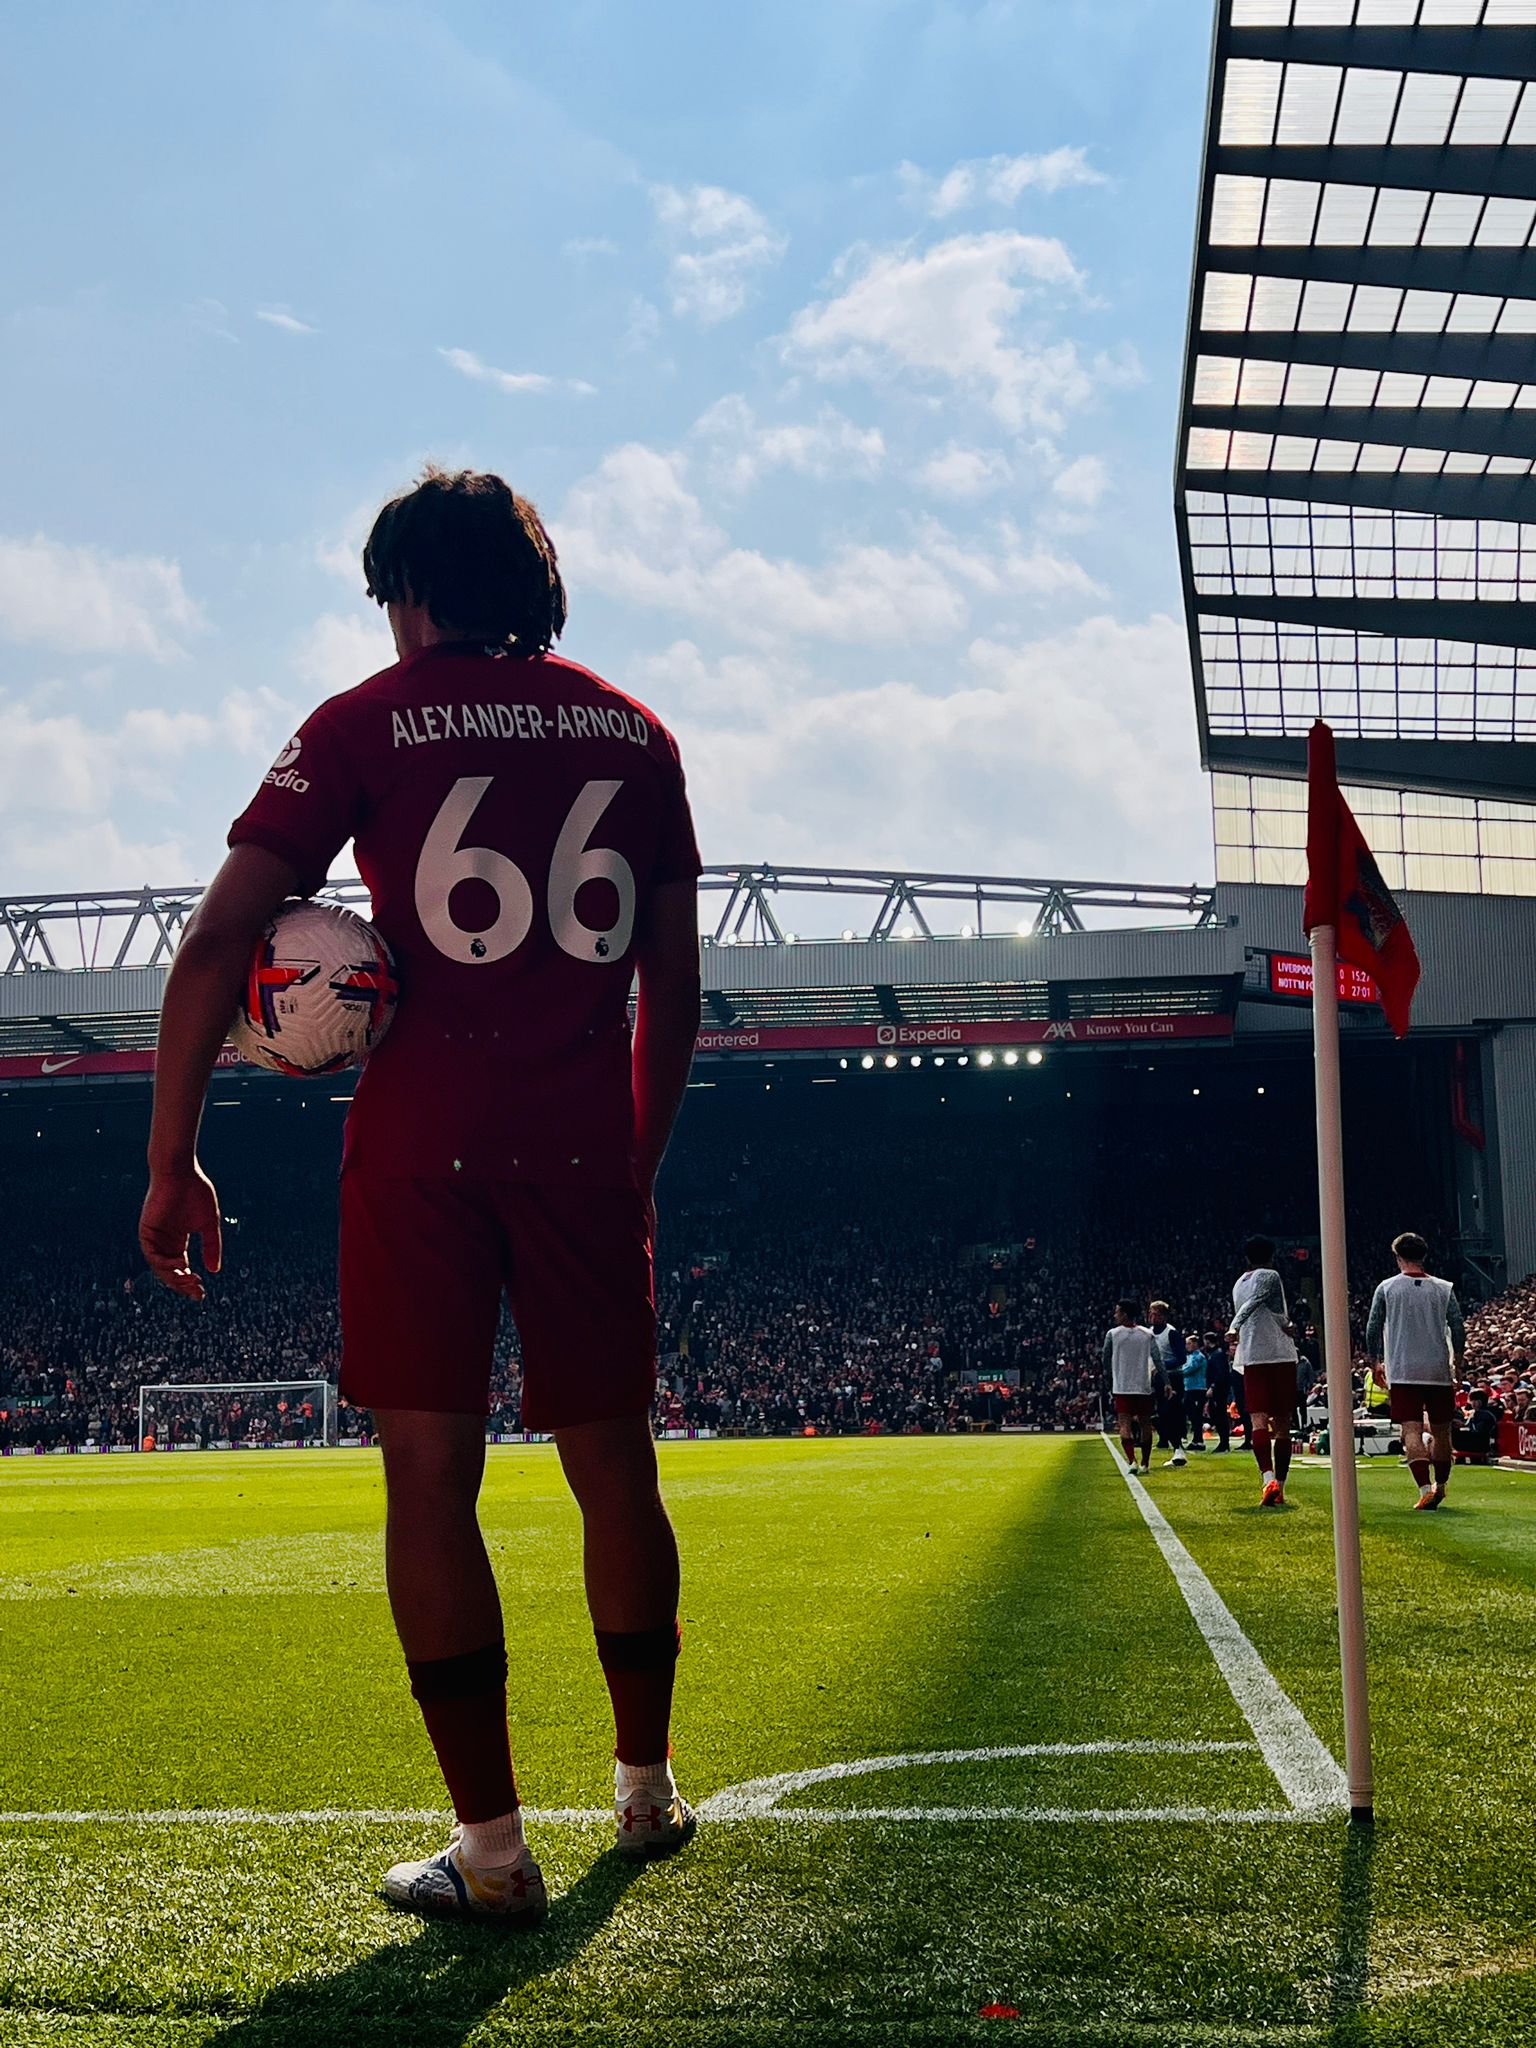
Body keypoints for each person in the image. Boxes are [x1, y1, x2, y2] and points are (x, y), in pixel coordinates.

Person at [138, 467, 704, 1924]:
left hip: (423, 1148)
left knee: (429, 1484)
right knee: (615, 1467)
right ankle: (644, 1796)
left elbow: (216, 946)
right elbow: (676, 988)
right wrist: (630, 1163)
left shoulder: (360, 723)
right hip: (584, 1143)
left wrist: (173, 1154)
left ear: (410, 590)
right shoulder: (639, 736)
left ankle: (495, 1854)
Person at [1364, 1231, 1466, 1510]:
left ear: (1398, 1257)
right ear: (1424, 1256)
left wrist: (1374, 1362)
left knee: (1411, 1430)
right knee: (1443, 1432)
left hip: (1404, 1367)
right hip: (1437, 1368)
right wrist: (1458, 1361)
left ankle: (1423, 1489)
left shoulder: (1387, 1288)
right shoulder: (1444, 1288)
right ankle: (1441, 1486)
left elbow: (1373, 1327)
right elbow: (1457, 1327)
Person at [1227, 1235, 1299, 1508]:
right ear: (1272, 1254)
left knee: (1258, 1420)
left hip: (1251, 1356)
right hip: (1278, 1355)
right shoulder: (1270, 1275)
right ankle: (1278, 1485)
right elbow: (1255, 1303)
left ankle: (1267, 1478)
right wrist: (1235, 1326)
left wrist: (1286, 1323)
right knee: (1282, 1425)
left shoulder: (1238, 1283)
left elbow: (1274, 1312)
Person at [1104, 1299, 1159, 1476]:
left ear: (1124, 1314)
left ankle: (1132, 1460)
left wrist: (1109, 1378)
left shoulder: (1112, 1334)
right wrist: (1166, 1382)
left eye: (1117, 1312)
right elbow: (1158, 1360)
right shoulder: (1147, 1334)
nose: (1115, 1315)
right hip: (1143, 1385)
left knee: (1124, 1423)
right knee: (1145, 1423)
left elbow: (1105, 1359)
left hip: (1122, 1386)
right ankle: (1145, 1463)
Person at [1204, 1333, 1233, 1453]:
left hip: (1219, 1390)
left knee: (1220, 1416)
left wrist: (1213, 1387)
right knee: (1218, 1416)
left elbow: (1220, 1374)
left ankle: (1224, 1443)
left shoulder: (1217, 1355)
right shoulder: (1216, 1354)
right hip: (1219, 1389)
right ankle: (1223, 1442)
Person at [1181, 1334, 1208, 1451]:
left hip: (1197, 1388)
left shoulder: (1199, 1357)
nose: (1187, 1346)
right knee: (1192, 1415)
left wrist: (1177, 1371)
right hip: (1190, 1388)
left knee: (1196, 1415)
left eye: (1189, 1343)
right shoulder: (1191, 1356)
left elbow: (1187, 1369)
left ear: (1195, 1344)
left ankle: (1199, 1441)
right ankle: (1197, 1440)